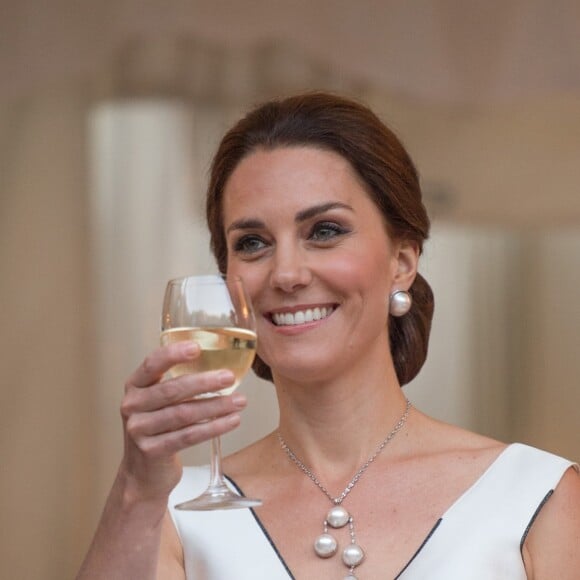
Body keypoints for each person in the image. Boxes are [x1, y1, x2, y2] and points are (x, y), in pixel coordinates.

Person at [77, 92, 580, 580]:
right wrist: (135, 493)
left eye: (324, 231)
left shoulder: (537, 497)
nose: (287, 274)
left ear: (402, 262)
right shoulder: (173, 514)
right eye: (252, 243)